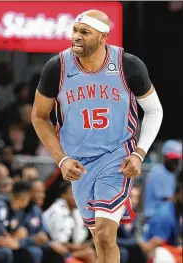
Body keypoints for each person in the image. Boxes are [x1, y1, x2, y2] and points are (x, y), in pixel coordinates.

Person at [31, 9, 163, 263]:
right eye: (75, 31)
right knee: (99, 239)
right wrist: (61, 159)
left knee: (104, 235)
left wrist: (139, 153)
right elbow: (39, 116)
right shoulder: (57, 67)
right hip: (79, 163)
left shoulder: (128, 64)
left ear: (103, 37)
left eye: (84, 32)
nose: (76, 37)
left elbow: (154, 110)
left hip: (117, 156)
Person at [140, 182, 183, 263]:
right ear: (179, 191)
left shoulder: (177, 210)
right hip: (157, 254)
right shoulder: (165, 214)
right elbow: (149, 247)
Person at [144, 140, 182, 220]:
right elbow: (169, 198)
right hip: (154, 218)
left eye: (177, 159)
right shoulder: (158, 172)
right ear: (165, 157)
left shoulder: (170, 173)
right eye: (173, 159)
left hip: (163, 217)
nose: (176, 162)